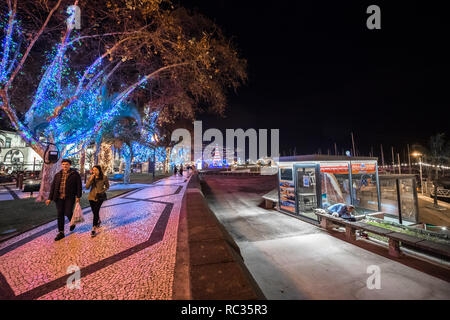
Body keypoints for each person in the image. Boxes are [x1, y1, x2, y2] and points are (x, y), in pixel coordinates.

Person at [46, 159, 82, 241]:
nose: (64, 166)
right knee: (60, 214)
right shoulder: (58, 175)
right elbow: (53, 187)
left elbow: (79, 186)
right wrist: (49, 198)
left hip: (69, 197)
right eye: (63, 164)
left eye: (66, 164)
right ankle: (61, 232)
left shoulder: (75, 174)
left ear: (69, 165)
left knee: (68, 212)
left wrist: (78, 196)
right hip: (59, 198)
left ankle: (72, 222)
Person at [85, 165, 110, 237]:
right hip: (91, 197)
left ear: (99, 170)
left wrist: (102, 191)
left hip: (100, 197)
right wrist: (90, 179)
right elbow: (87, 187)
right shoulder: (91, 177)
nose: (94, 171)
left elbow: (107, 186)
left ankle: (93, 229)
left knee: (96, 211)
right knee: (94, 211)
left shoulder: (104, 177)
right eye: (93, 170)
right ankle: (98, 220)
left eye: (96, 170)